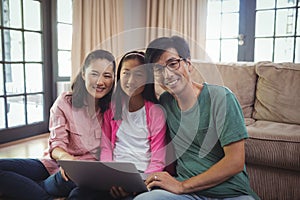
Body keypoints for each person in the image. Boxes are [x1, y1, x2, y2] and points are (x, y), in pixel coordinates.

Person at [134, 36, 260, 200]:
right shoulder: (165, 102)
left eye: (173, 64)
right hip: (188, 195)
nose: (167, 74)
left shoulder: (221, 97)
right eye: (158, 70)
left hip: (231, 193)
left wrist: (181, 186)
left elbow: (235, 161)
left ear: (189, 64)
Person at [0, 49, 116, 200]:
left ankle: (33, 190)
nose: (100, 82)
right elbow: (56, 144)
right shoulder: (65, 102)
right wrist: (67, 159)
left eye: (107, 76)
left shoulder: (112, 110)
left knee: (64, 185)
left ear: (113, 79)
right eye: (94, 74)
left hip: (79, 176)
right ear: (83, 74)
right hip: (52, 163)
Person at [68, 51, 167, 200]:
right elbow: (106, 147)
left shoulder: (156, 112)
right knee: (78, 194)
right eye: (126, 73)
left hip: (142, 178)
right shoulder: (112, 109)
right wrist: (111, 176)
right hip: (114, 175)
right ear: (119, 76)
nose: (131, 80)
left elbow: (158, 158)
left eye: (139, 75)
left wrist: (142, 183)